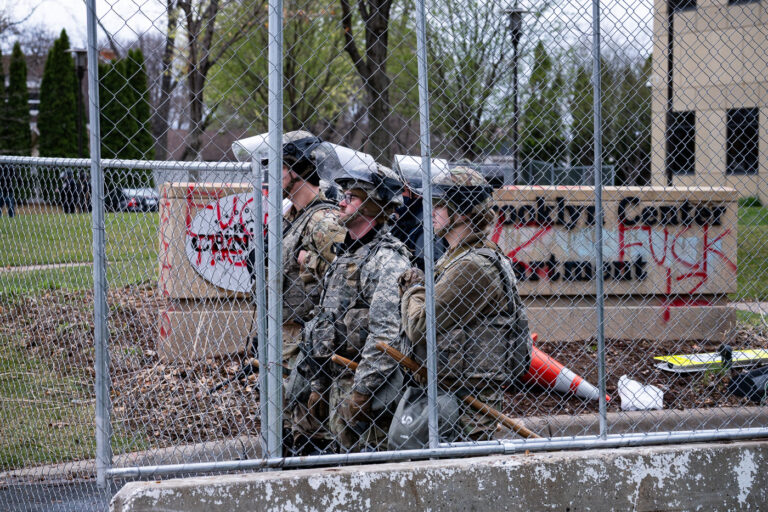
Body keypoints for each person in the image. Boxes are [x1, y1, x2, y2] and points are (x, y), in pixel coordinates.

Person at [397, 166, 532, 443]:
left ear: (462, 213)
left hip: (464, 404)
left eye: (440, 205)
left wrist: (412, 289)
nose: (431, 212)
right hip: (452, 392)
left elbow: (420, 325)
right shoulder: (458, 257)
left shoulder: (472, 266)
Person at [291, 161, 411, 454]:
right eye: (343, 195)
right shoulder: (346, 257)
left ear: (370, 206)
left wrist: (361, 392)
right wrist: (319, 384)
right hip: (338, 386)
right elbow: (325, 322)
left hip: (368, 393)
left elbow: (385, 336)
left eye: (351, 197)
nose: (341, 202)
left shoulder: (387, 260)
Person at [391, 158, 446, 270]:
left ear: (417, 194)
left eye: (402, 189)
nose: (396, 194)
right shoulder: (401, 222)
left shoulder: (427, 231)